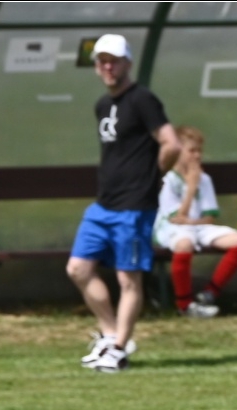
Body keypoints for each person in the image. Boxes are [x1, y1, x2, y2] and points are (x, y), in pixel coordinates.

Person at [68, 32, 180, 372]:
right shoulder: (103, 105)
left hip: (134, 206)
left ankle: (118, 350)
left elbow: (171, 143)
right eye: (102, 61)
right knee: (78, 268)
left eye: (114, 61)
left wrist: (153, 176)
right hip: (104, 204)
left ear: (127, 63)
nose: (107, 67)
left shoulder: (143, 100)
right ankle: (111, 335)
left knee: (128, 278)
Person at [155, 126, 237, 319]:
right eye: (191, 151)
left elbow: (209, 217)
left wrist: (193, 220)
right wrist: (190, 188)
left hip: (198, 226)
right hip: (172, 228)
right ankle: (184, 305)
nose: (197, 156)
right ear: (178, 152)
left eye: (199, 151)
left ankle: (209, 294)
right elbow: (177, 218)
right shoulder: (169, 181)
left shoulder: (204, 179)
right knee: (185, 243)